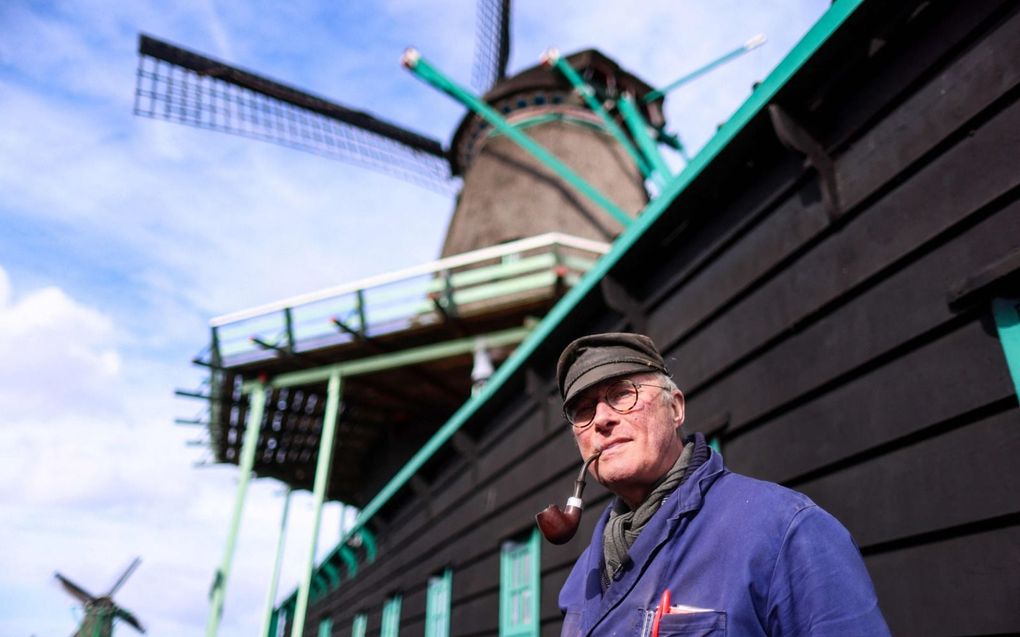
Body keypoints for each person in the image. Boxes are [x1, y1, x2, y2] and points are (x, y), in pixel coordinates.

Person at [555, 333, 889, 636]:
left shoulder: (784, 531)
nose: (601, 419)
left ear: (675, 408)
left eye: (622, 394)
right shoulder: (581, 578)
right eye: (584, 411)